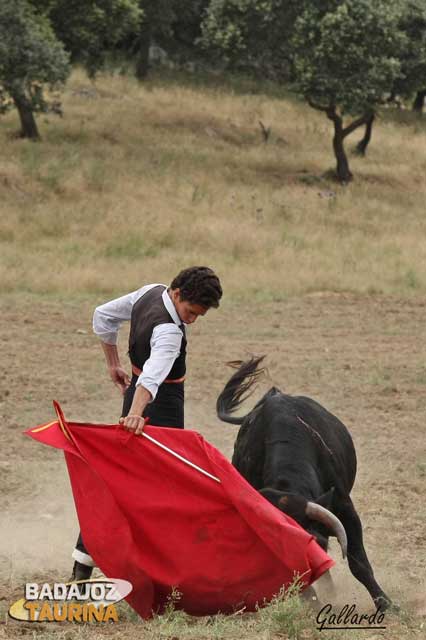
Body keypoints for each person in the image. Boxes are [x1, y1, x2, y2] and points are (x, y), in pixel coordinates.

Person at [71, 266, 223, 582]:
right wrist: (138, 414)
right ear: (177, 294)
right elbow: (153, 377)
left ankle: (83, 565)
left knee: (122, 481)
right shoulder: (170, 332)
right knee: (165, 489)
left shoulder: (150, 291)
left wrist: (113, 364)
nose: (192, 320)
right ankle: (167, 570)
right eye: (190, 312)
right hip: (159, 408)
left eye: (199, 316)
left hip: (136, 400)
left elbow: (103, 316)